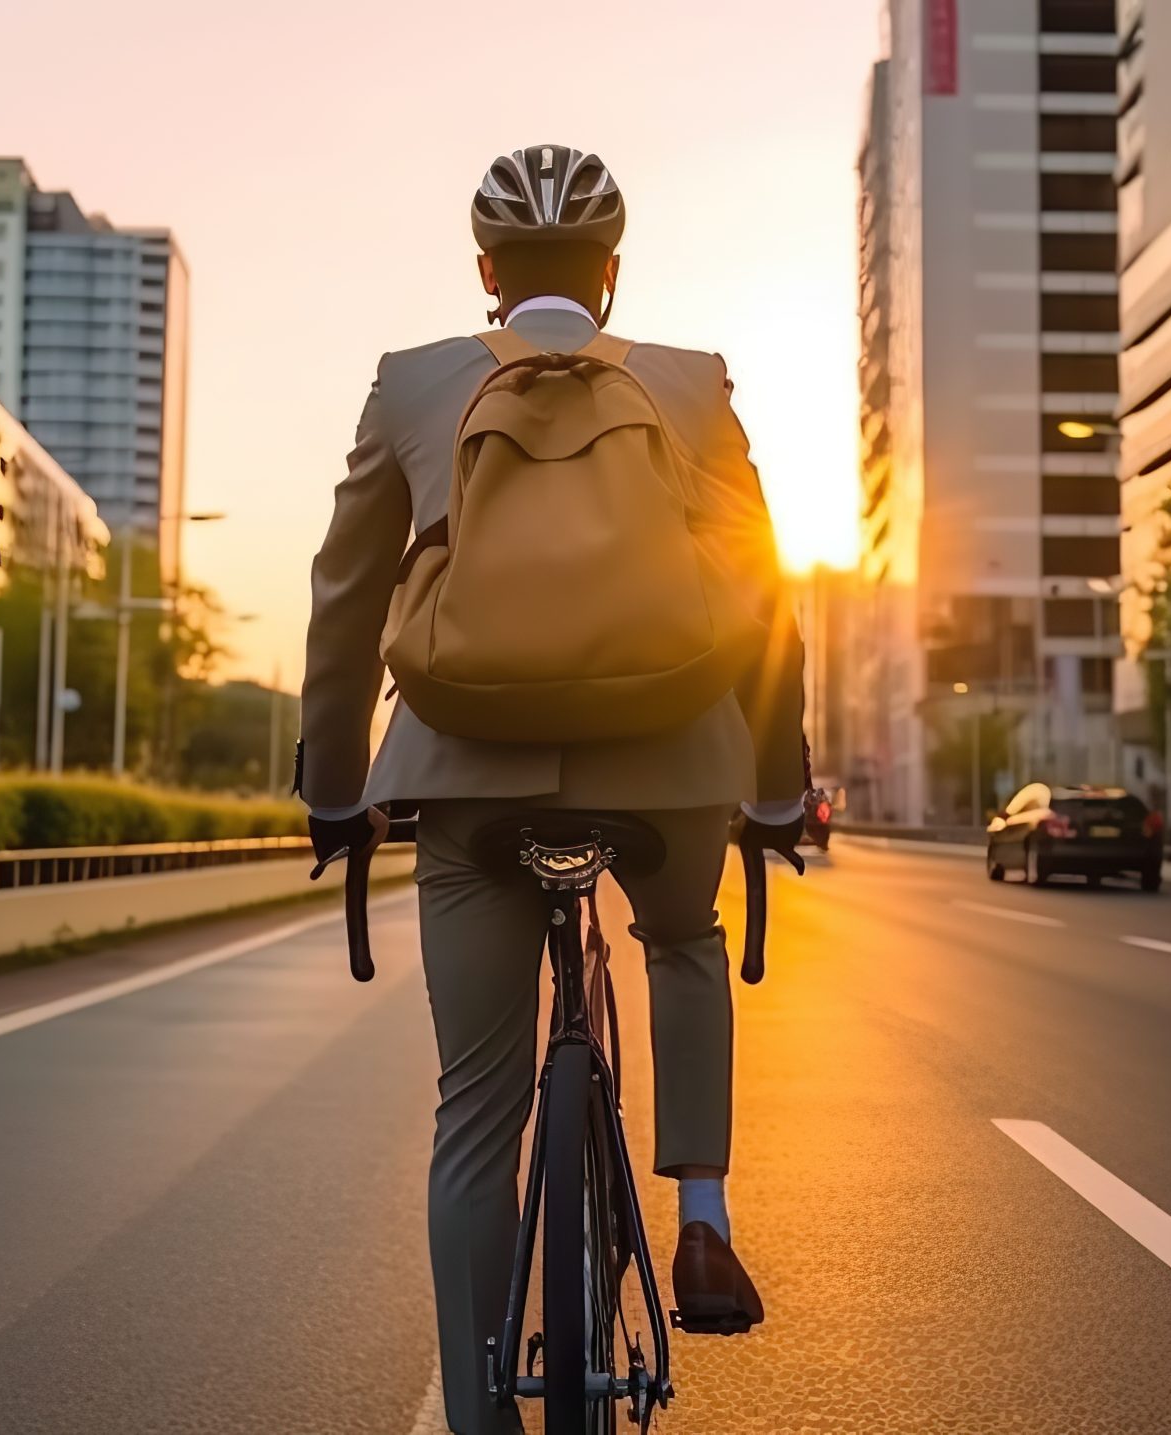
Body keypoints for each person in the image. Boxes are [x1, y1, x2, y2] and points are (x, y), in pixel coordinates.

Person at [298, 144, 809, 1434]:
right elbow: (766, 595)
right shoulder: (690, 385)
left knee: (477, 1108)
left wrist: (332, 785)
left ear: (483, 272)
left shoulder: (413, 386)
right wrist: (777, 785)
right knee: (684, 938)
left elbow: (347, 594)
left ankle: (479, 1419)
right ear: (614, 270)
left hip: (464, 776)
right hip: (673, 760)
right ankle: (700, 1214)